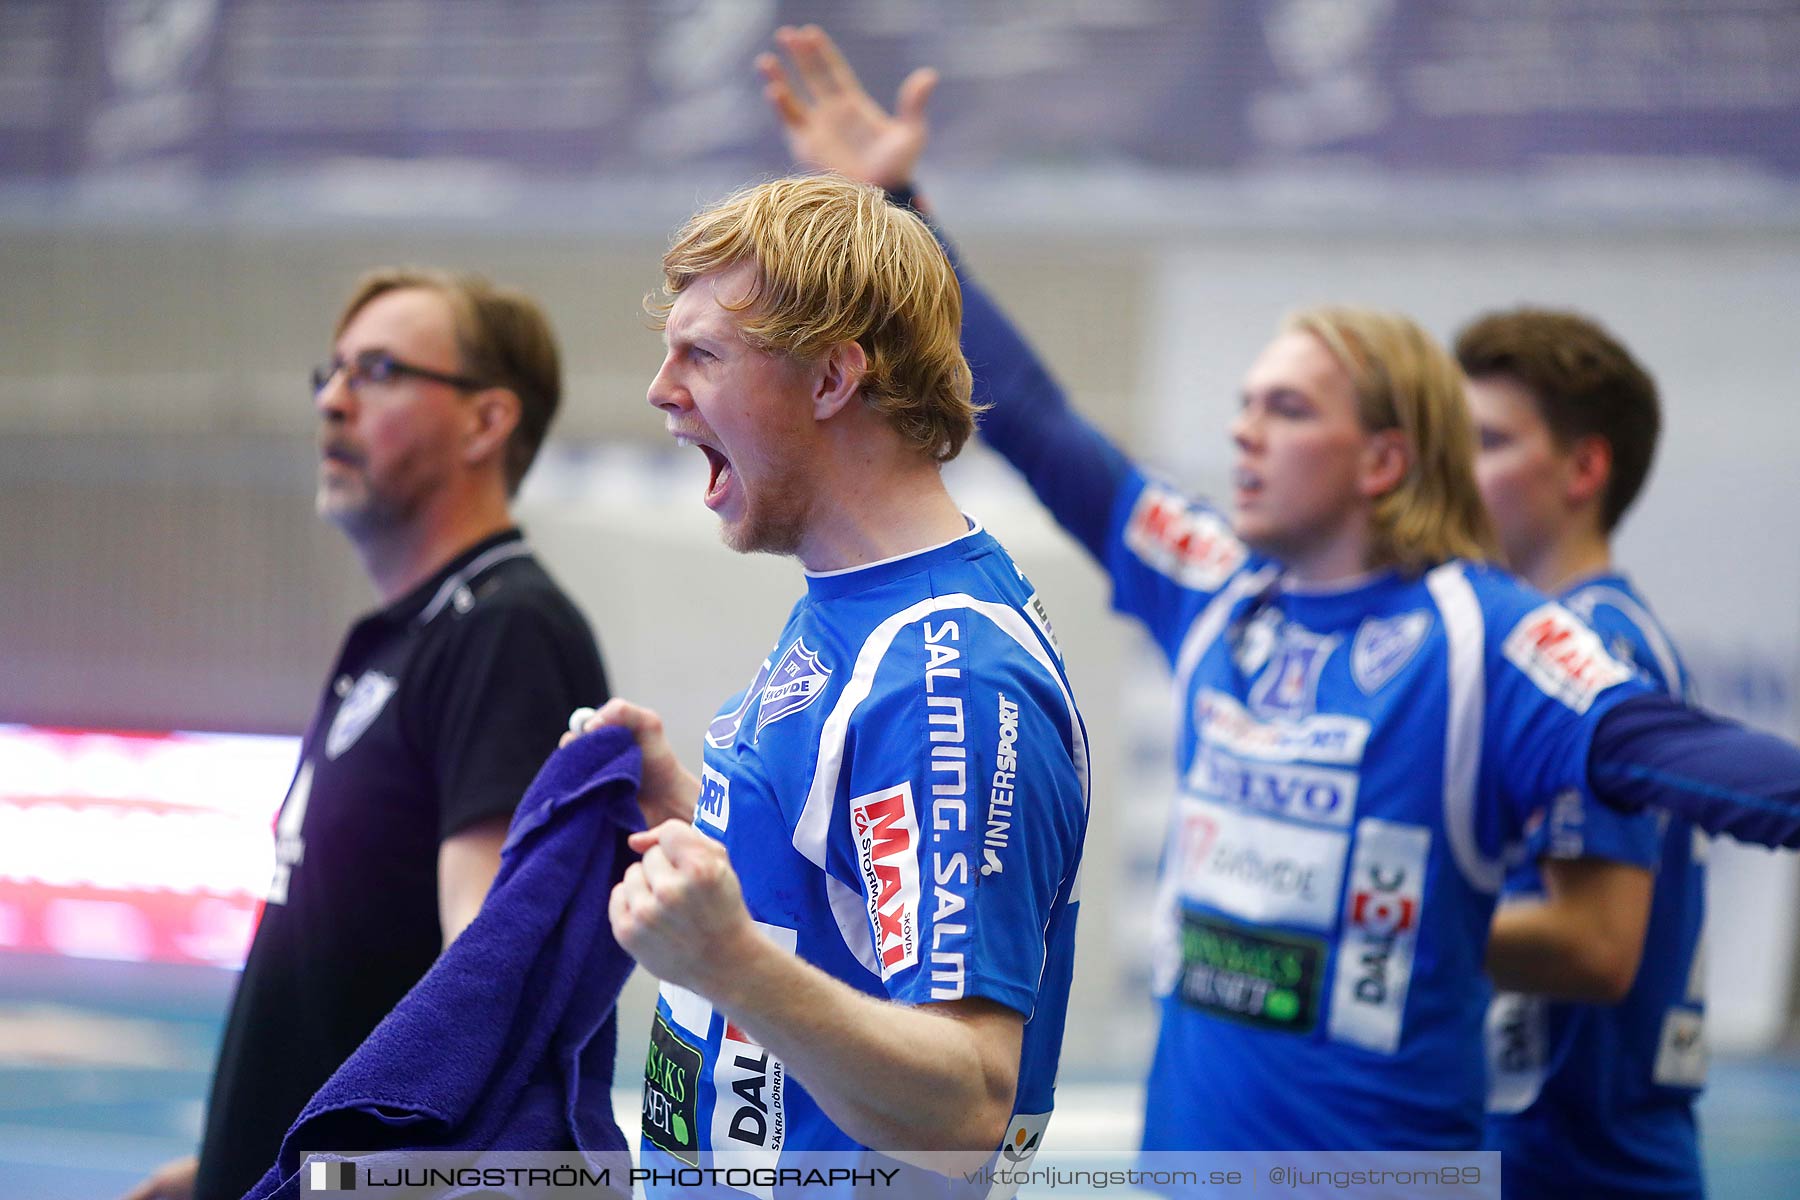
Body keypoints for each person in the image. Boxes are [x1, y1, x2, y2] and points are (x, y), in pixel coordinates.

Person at [754, 24, 1800, 1159]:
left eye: (1290, 411)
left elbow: (1688, 757)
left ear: (1385, 461)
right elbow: (1041, 422)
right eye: (1246, 404)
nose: (1244, 432)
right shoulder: (1212, 589)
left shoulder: (1486, 639)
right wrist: (901, 206)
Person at [569, 173, 1089, 1185]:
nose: (660, 388)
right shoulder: (859, 601)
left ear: (830, 380)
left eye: (701, 355)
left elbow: (970, 1103)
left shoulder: (950, 679)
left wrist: (727, 964)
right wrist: (691, 814)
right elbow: (843, 880)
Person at [125, 269, 609, 1200]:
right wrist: (226, 1168)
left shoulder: (507, 630)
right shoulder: (403, 638)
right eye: (331, 374)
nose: (335, 402)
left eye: (378, 371)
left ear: (485, 422)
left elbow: (488, 982)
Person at [1461, 309, 1706, 1199]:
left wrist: (1374, 927)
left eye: (1487, 441)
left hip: (1581, 1168)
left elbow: (1598, 945)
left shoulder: (1596, 652)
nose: (1456, 469)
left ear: (1585, 468)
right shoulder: (1560, 640)